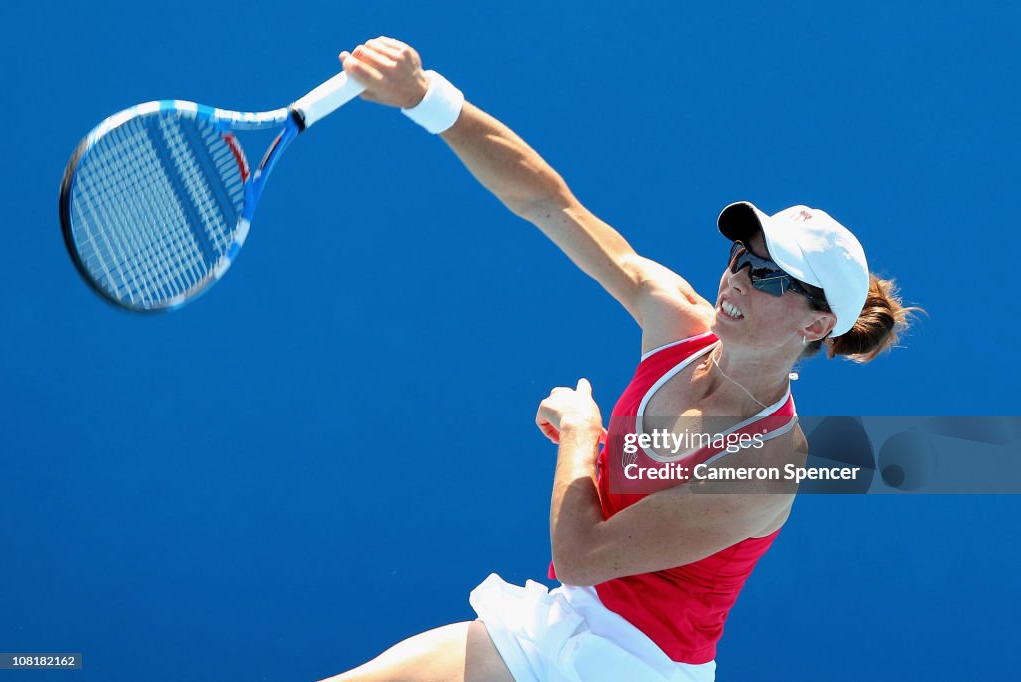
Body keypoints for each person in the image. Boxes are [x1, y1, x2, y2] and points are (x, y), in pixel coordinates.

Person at [318, 36, 918, 682]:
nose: (738, 280)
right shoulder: (674, 317)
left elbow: (582, 554)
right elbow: (549, 204)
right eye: (742, 258)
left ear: (818, 323)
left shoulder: (767, 468)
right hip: (557, 623)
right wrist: (428, 98)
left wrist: (583, 432)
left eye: (771, 277)